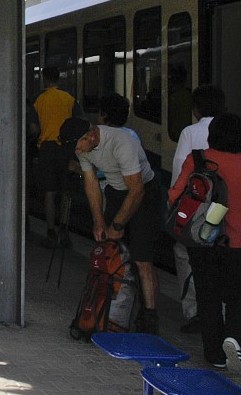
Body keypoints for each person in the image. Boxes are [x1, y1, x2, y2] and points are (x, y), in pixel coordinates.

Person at [168, 113, 241, 372]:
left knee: (208, 297)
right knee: (238, 296)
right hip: (239, 241)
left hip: (203, 241)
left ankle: (215, 355)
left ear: (212, 135)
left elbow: (174, 195)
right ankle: (234, 339)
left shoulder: (196, 159)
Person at [59, 115, 163, 335]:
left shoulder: (120, 142)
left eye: (78, 146)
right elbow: (91, 183)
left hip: (144, 193)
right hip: (116, 192)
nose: (77, 152)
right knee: (111, 253)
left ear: (91, 135)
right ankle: (112, 311)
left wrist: (116, 225)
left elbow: (137, 191)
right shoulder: (84, 149)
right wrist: (99, 222)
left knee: (142, 259)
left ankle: (150, 319)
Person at [170, 85, 226, 334]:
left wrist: (173, 206)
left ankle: (195, 312)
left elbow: (180, 172)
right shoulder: (233, 129)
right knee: (219, 259)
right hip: (223, 208)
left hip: (197, 209)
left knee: (187, 257)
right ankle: (220, 313)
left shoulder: (190, 132)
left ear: (196, 109)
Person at [33, 67, 82, 248]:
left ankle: (51, 232)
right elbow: (79, 122)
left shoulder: (39, 99)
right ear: (59, 78)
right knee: (66, 192)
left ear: (45, 79)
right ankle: (64, 231)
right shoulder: (69, 99)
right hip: (66, 148)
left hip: (47, 149)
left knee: (49, 193)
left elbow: (34, 128)